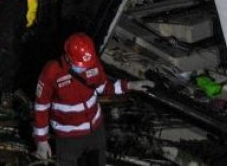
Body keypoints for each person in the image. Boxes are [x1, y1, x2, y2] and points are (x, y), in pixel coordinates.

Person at [33, 32, 154, 165]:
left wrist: (130, 85)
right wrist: (42, 140)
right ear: (68, 58)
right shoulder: (52, 72)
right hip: (68, 138)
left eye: (88, 64)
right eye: (81, 65)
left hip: (95, 131)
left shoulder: (92, 63)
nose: (85, 68)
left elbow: (104, 86)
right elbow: (41, 107)